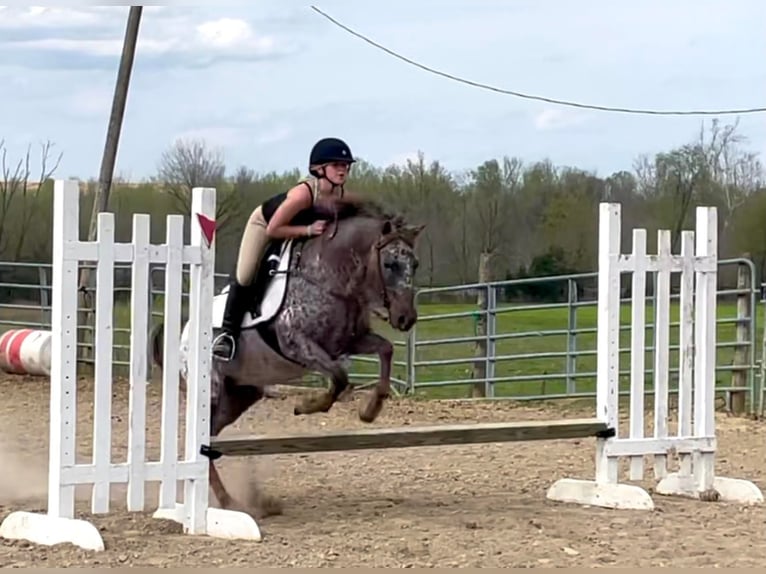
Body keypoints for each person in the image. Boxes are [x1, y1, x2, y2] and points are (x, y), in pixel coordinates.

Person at [212, 136, 357, 362]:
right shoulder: (303, 194)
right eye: (337, 165)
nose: (343, 170)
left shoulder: (340, 196)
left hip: (298, 231)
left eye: (346, 166)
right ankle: (227, 335)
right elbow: (273, 230)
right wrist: (308, 230)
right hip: (265, 225)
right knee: (246, 274)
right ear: (319, 169)